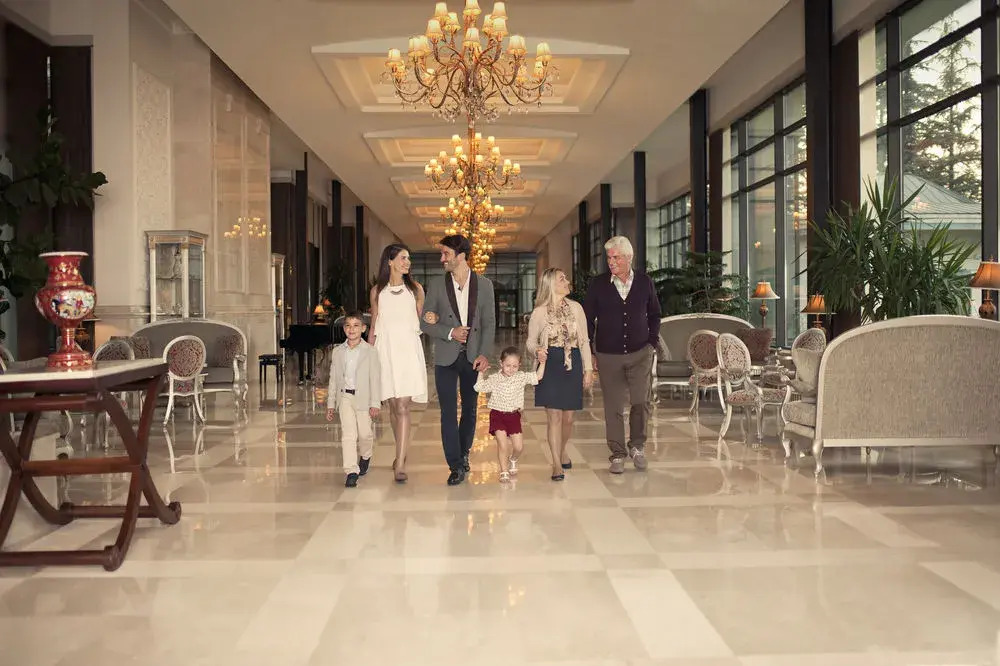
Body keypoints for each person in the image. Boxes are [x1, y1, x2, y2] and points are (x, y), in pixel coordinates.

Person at [419, 234, 496, 486]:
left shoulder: (485, 285)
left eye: (446, 254)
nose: (442, 259)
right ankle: (454, 465)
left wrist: (484, 354)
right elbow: (425, 322)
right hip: (445, 358)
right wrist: (450, 332)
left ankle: (463, 454)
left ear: (461, 256)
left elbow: (489, 323)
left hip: (473, 358)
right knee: (448, 412)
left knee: (470, 410)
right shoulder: (436, 284)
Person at [583, 236, 661, 474]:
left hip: (640, 353)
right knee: (613, 406)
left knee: (640, 402)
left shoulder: (645, 282)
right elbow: (587, 319)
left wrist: (651, 343)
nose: (611, 262)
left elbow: (655, 314)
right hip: (608, 355)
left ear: (629, 257)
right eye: (609, 257)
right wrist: (591, 351)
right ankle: (617, 453)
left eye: (616, 257)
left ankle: (637, 446)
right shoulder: (598, 284)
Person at [368, 243, 427, 483]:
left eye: (409, 258)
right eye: (403, 258)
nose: (407, 262)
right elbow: (374, 326)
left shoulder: (416, 290)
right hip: (385, 351)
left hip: (408, 352)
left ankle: (400, 463)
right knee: (393, 407)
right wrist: (367, 356)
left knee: (403, 406)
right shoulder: (377, 292)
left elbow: (422, 321)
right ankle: (400, 450)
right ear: (390, 261)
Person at [527, 268, 593, 480]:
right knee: (554, 416)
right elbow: (530, 342)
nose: (567, 281)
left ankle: (562, 449)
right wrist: (537, 351)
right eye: (562, 279)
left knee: (568, 418)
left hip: (572, 363)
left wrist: (588, 369)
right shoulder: (539, 312)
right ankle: (556, 463)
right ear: (550, 285)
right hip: (549, 365)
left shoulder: (577, 308)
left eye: (565, 278)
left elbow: (584, 341)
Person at [473, 346, 546, 483]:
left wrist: (543, 362)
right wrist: (481, 372)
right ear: (501, 363)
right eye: (508, 365)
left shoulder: (521, 377)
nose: (511, 369)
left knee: (518, 447)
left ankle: (513, 459)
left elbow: (538, 376)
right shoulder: (495, 378)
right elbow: (479, 387)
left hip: (513, 416)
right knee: (503, 445)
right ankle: (504, 471)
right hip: (498, 415)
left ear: (519, 365)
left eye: (514, 366)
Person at [326, 311, 381, 488]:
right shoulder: (337, 352)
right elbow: (333, 379)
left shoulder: (370, 352)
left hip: (364, 397)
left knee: (365, 434)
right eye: (348, 326)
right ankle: (351, 471)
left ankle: (366, 455)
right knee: (349, 434)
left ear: (363, 328)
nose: (352, 329)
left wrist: (375, 403)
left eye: (356, 325)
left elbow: (375, 379)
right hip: (345, 397)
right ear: (344, 329)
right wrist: (330, 404)